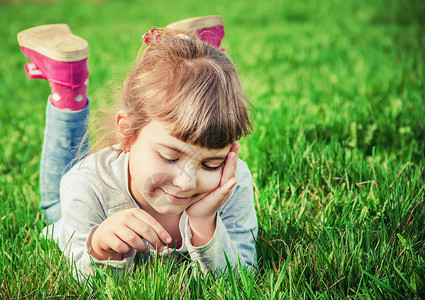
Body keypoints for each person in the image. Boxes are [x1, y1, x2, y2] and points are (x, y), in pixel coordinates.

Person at [17, 16, 258, 278]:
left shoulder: (230, 183)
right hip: (73, 203)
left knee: (192, 72)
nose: (187, 183)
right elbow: (89, 283)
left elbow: (242, 277)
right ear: (128, 133)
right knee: (54, 206)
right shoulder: (85, 185)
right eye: (169, 157)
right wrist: (101, 248)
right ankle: (68, 87)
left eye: (210, 164)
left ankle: (191, 53)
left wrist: (204, 223)